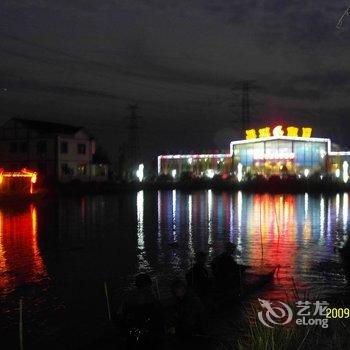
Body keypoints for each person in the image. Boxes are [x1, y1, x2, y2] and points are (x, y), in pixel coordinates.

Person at [116, 273, 164, 349]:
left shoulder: (129, 297)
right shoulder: (151, 297)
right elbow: (160, 314)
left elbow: (119, 314)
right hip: (147, 334)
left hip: (137, 333)